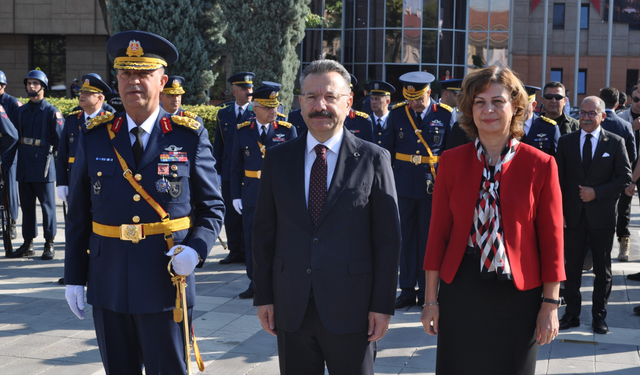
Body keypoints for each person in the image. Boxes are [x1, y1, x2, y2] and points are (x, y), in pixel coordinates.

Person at [64, 30, 225, 374]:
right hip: (108, 282)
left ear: (162, 80)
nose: (133, 81)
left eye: (143, 73)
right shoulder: (94, 137)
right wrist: (75, 276)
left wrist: (196, 250)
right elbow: (78, 214)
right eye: (125, 73)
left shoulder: (188, 135)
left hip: (165, 281)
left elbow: (212, 208)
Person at [253, 59, 401, 375]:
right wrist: (263, 296)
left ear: (348, 103)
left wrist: (382, 306)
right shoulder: (278, 159)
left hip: (353, 309)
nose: (321, 106)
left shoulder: (374, 159)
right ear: (300, 102)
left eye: (330, 97)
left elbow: (388, 240)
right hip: (291, 306)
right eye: (311, 97)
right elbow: (264, 231)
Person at [421, 65, 565, 374]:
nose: (488, 110)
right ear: (469, 109)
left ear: (515, 107)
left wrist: (550, 305)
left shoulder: (541, 164)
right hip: (461, 288)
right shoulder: (451, 161)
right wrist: (430, 300)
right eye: (479, 102)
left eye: (498, 101)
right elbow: (437, 235)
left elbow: (552, 241)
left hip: (519, 292)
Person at [556, 96, 631, 335]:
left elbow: (624, 178)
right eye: (583, 113)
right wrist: (560, 213)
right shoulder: (566, 142)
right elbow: (558, 179)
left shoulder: (615, 142)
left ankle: (599, 316)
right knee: (572, 268)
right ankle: (572, 315)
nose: (586, 117)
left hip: (602, 217)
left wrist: (596, 193)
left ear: (602, 116)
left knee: (602, 269)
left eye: (592, 113)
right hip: (573, 217)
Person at [383, 71, 452, 309]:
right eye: (410, 98)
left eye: (418, 99)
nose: (413, 103)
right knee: (405, 238)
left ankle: (426, 291)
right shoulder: (397, 114)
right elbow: (387, 151)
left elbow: (451, 154)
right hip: (402, 184)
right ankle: (407, 289)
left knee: (428, 239)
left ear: (429, 93)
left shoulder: (444, 115)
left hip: (432, 185)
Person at [230, 84, 297, 299]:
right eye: (268, 108)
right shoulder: (242, 131)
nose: (273, 111)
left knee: (280, 238)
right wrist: (235, 196)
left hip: (279, 194)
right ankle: (255, 282)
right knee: (253, 240)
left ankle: (280, 280)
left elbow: (295, 167)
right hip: (251, 193)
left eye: (275, 107)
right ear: (255, 108)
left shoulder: (286, 130)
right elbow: (235, 166)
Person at [5, 70, 63, 260]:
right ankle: (28, 243)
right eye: (29, 83)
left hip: (44, 166)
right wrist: (5, 164)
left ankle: (49, 243)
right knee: (27, 207)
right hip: (24, 165)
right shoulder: (20, 111)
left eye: (35, 83)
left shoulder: (51, 112)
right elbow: (12, 138)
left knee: (47, 207)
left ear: (43, 86)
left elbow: (61, 142)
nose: (31, 86)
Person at [213, 72, 255, 265]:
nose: (249, 92)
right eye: (244, 89)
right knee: (230, 213)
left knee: (248, 212)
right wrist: (217, 172)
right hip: (230, 171)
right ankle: (234, 250)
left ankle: (248, 251)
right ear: (234, 91)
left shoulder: (257, 111)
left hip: (249, 171)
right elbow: (218, 144)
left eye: (250, 88)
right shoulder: (224, 113)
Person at [56, 73, 114, 204]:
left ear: (100, 98)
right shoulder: (72, 119)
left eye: (88, 93)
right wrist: (62, 183)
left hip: (101, 181)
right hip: (74, 179)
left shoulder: (110, 121)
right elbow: (62, 154)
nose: (82, 95)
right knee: (76, 222)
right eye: (82, 92)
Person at [598, 87, 636, 262]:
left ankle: (598, 250)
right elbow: (633, 155)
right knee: (623, 211)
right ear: (619, 102)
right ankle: (622, 247)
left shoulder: (596, 121)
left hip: (597, 178)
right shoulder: (625, 124)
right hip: (622, 177)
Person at [0, 70, 23, 240]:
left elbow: (16, 133)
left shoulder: (13, 103)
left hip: (10, 152)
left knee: (10, 190)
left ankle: (12, 223)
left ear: (4, 86)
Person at [522, 85, 560, 156]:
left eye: (523, 105)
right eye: (516, 104)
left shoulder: (549, 128)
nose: (519, 109)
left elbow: (556, 160)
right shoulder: (507, 127)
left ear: (533, 105)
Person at [367, 80, 395, 146]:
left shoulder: (394, 121)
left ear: (387, 101)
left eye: (377, 99)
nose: (373, 102)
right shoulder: (366, 121)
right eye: (372, 98)